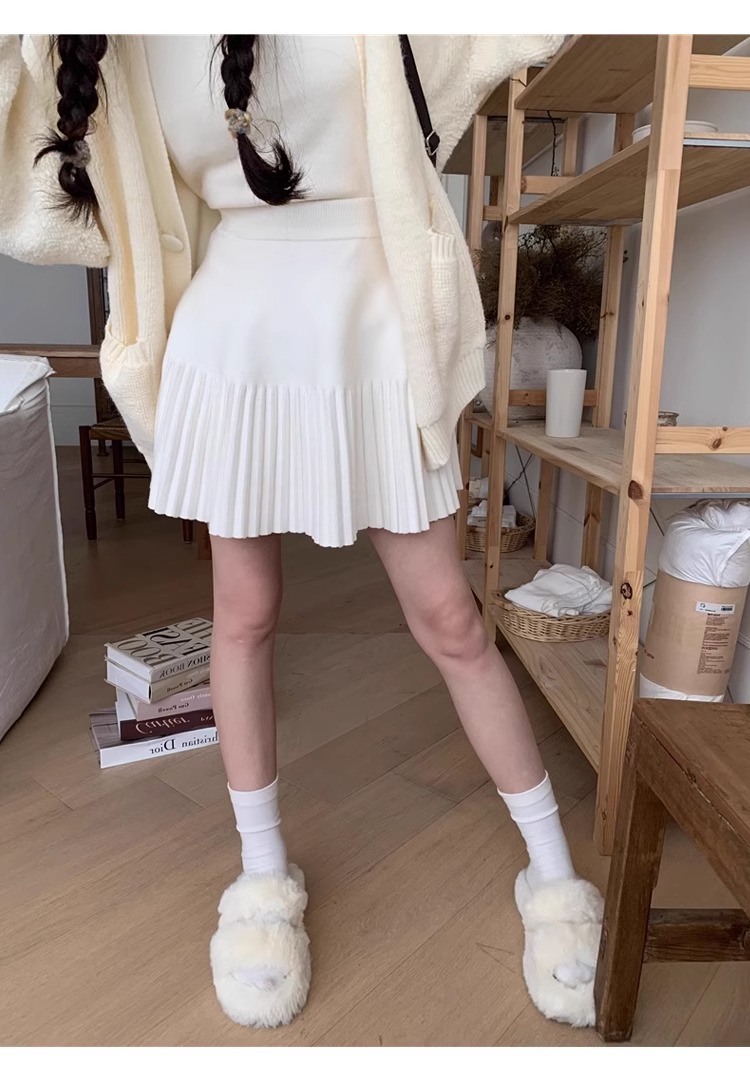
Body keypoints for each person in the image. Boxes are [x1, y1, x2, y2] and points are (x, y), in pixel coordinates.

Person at [0, 33, 603, 1031]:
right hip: (232, 337)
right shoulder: (115, 37)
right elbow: (38, 207)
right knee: (242, 616)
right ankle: (261, 881)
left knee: (451, 617)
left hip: (379, 324)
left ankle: (553, 876)